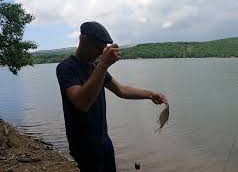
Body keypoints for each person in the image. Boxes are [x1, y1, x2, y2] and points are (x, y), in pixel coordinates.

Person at [56, 21, 168, 172]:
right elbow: (81, 103)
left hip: (104, 140)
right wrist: (103, 65)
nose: (100, 53)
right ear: (83, 40)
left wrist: (150, 94)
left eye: (103, 49)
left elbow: (121, 90)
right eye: (98, 48)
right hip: (83, 146)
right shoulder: (66, 67)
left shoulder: (95, 66)